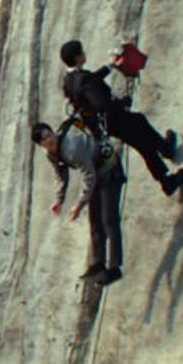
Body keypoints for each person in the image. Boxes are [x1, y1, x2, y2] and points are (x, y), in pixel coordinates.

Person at [59, 39, 183, 196]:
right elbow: (101, 104)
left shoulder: (70, 80)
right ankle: (166, 178)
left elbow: (90, 82)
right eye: (82, 52)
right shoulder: (83, 79)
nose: (84, 54)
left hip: (104, 125)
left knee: (140, 125)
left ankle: (165, 151)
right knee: (143, 142)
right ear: (78, 58)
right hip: (114, 119)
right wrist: (121, 103)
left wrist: (110, 66)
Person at [33, 120, 126, 285]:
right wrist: (58, 200)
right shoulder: (51, 154)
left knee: (109, 219)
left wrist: (78, 205)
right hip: (97, 173)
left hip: (109, 168)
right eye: (44, 140)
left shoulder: (71, 148)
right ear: (41, 145)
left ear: (52, 132)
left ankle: (114, 267)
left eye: (49, 134)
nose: (49, 140)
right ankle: (97, 264)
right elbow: (61, 176)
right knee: (95, 222)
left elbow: (88, 176)